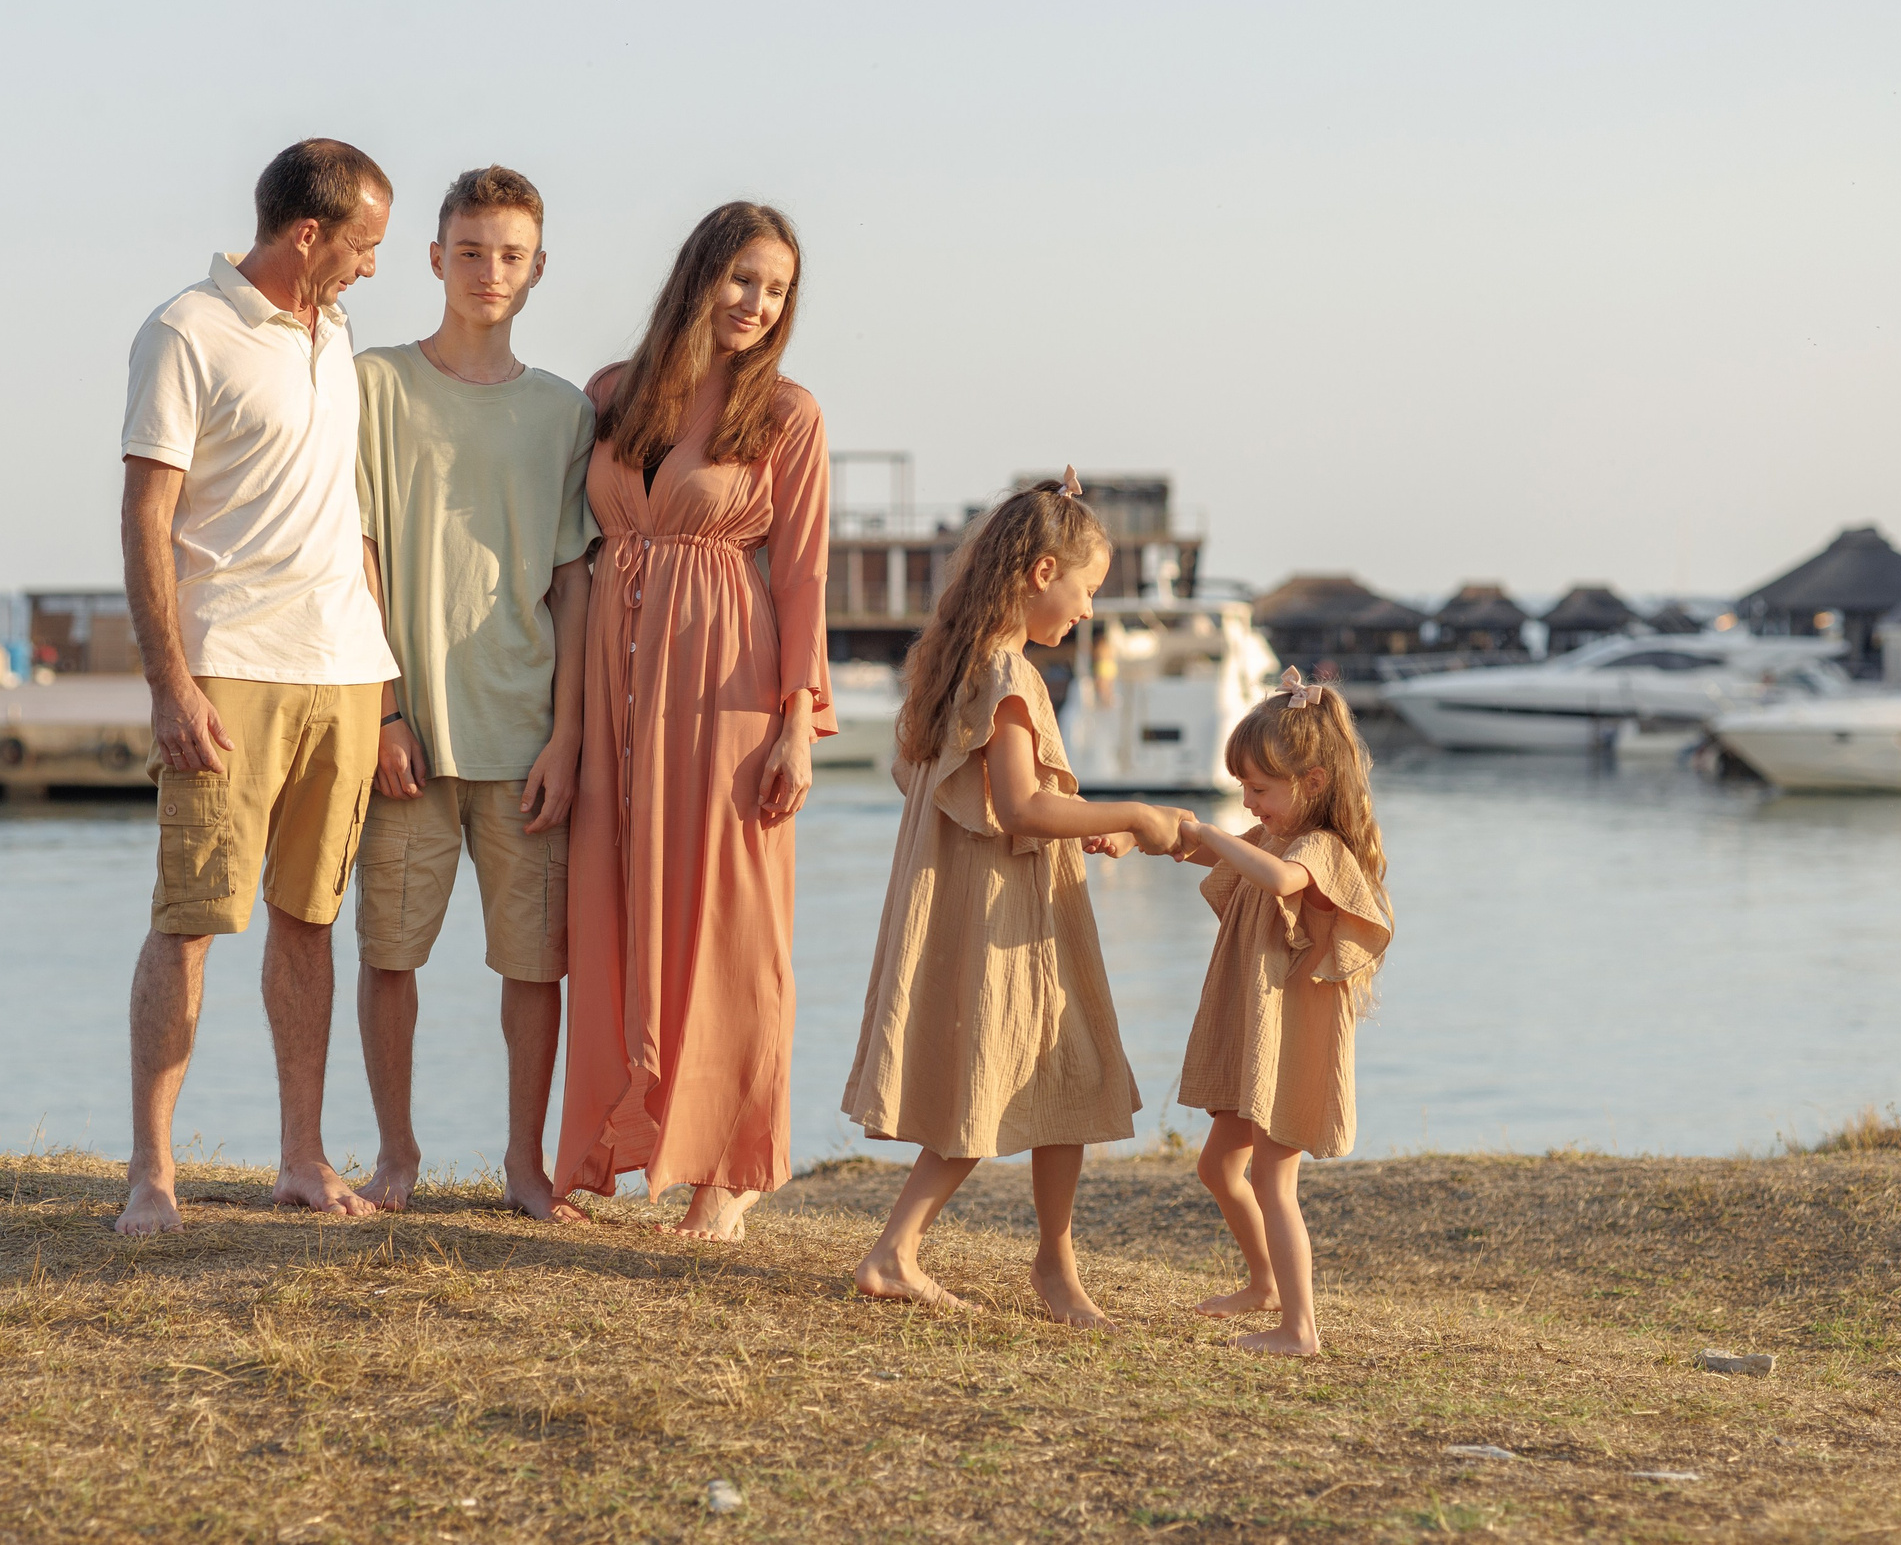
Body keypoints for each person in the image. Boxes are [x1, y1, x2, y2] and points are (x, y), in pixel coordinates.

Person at [114, 137, 401, 1236]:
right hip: (230, 667)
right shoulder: (188, 331)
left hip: (342, 667)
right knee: (190, 920)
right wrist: (169, 684)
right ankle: (152, 1172)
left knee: (310, 919)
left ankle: (301, 1159)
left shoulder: (334, 334)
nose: (373, 267)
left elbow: (347, 521)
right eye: (365, 245)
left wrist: (384, 690)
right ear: (307, 234)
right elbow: (146, 517)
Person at [552, 202, 834, 1241]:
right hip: (613, 680)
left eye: (776, 290)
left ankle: (732, 1169)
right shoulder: (610, 396)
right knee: (613, 904)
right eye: (743, 280)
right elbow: (564, 547)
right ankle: (606, 1146)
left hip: (728, 682)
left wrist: (798, 725)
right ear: (698, 276)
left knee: (733, 922)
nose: (757, 306)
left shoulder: (789, 416)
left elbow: (801, 576)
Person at [841, 475, 1171, 1327]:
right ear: (1042, 570)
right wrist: (1132, 811)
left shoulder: (956, 659)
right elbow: (1021, 806)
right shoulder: (1006, 673)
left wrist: (1075, 823)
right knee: (992, 1071)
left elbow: (920, 772)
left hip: (979, 892)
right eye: (1087, 590)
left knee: (1065, 1064)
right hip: (1003, 910)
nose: (1089, 612)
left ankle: (1051, 1264)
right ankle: (896, 1252)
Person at [351, 166, 596, 1220]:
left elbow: (573, 583)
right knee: (388, 952)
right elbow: (353, 553)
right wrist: (383, 709)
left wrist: (571, 738)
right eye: (470, 249)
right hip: (408, 730)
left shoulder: (564, 411)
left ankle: (523, 1166)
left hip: (525, 728)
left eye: (509, 254)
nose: (487, 271)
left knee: (533, 967)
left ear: (537, 268)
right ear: (435, 255)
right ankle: (395, 1156)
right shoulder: (376, 386)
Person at [1163, 666, 1395, 1356]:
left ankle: (1301, 1328)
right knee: (1218, 1167)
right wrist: (1142, 834)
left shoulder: (1317, 848)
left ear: (1313, 783)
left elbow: (1280, 877)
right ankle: (1264, 1282)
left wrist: (1212, 830)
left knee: (1271, 1176)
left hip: (1293, 1040)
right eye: (1243, 788)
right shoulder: (1272, 834)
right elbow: (1214, 849)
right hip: (1257, 1033)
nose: (1248, 801)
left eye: (1258, 790)